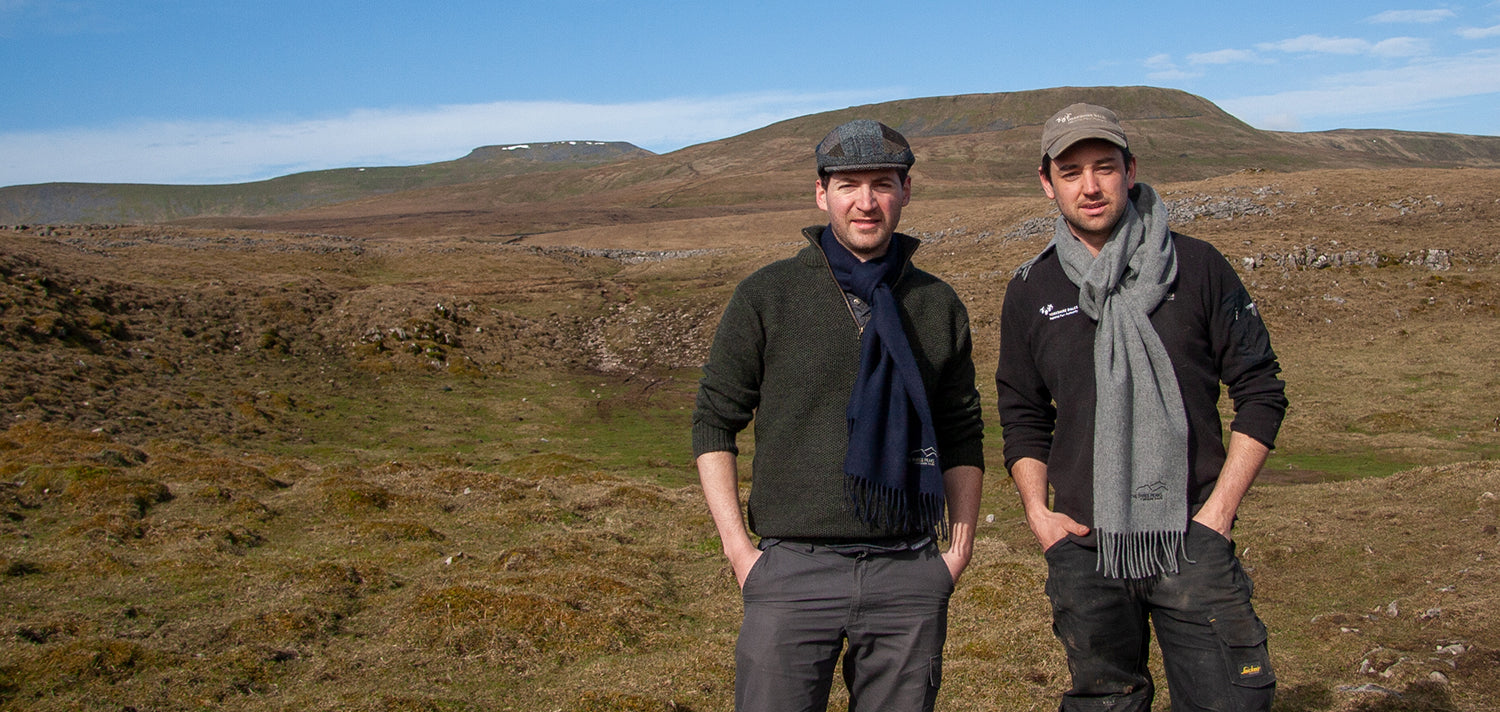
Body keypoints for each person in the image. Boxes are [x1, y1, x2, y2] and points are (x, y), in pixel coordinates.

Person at [995, 103, 1288, 712]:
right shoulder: (1033, 288)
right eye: (1071, 171)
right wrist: (1038, 515)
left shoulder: (1200, 266)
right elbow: (1021, 410)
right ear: (1047, 183)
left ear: (1131, 170)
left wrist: (1218, 512)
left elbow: (1259, 388)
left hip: (1191, 536)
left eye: (1104, 167)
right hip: (1083, 544)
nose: (1090, 186)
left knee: (1230, 701)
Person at [693, 119, 985, 712]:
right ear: (821, 193)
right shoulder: (766, 295)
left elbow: (961, 432)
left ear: (906, 192)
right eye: (849, 184)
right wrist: (740, 553)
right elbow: (714, 421)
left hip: (908, 569)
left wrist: (957, 551)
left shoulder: (937, 304)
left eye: (883, 182)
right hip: (791, 570)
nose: (866, 201)